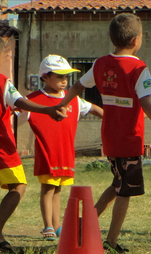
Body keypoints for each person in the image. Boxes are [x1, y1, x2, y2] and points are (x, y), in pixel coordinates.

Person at [59, 13, 151, 254]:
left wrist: (62, 104)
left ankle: (83, 225)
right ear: (137, 40)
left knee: (117, 184)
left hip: (110, 138)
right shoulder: (139, 68)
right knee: (125, 191)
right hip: (128, 139)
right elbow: (148, 105)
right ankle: (111, 242)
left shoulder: (100, 64)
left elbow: (77, 86)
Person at [0, 32, 66, 254]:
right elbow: (20, 101)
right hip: (0, 149)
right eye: (5, 56)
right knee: (19, 186)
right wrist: (46, 109)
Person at [26, 54, 103, 241]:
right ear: (45, 77)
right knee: (48, 188)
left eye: (66, 77)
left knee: (58, 189)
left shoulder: (73, 100)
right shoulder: (32, 100)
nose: (64, 81)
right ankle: (48, 226)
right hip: (47, 153)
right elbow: (13, 110)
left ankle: (57, 224)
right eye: (59, 76)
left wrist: (113, 120)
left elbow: (93, 108)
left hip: (65, 154)